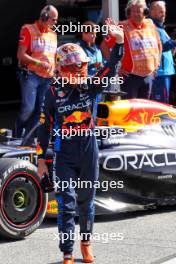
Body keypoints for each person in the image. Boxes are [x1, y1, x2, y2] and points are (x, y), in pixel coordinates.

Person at [36, 23, 124, 264]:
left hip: (89, 151)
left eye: (82, 67)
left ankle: (86, 245)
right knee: (67, 203)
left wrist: (118, 43)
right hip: (64, 154)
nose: (79, 72)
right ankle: (67, 252)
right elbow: (44, 128)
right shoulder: (52, 93)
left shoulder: (92, 85)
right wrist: (41, 159)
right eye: (73, 68)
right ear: (61, 69)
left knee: (86, 202)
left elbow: (112, 68)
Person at [103, 0, 162, 99]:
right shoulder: (122, 26)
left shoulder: (150, 24)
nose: (135, 14)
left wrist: (157, 64)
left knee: (144, 110)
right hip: (130, 78)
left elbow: (159, 44)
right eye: (132, 11)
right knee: (131, 109)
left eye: (138, 11)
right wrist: (117, 67)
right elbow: (104, 46)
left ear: (145, 12)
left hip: (148, 77)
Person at [16, 5, 58, 142]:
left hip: (47, 78)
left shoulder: (53, 34)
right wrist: (39, 63)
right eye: (53, 19)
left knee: (40, 112)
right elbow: (20, 55)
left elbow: (54, 56)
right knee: (28, 108)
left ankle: (27, 140)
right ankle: (18, 132)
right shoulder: (28, 29)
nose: (55, 23)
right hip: (32, 75)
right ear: (44, 17)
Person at [149, 0, 176, 103]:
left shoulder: (160, 27)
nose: (163, 14)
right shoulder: (151, 26)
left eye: (164, 12)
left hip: (165, 72)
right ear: (152, 12)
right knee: (160, 104)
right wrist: (173, 43)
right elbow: (159, 47)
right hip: (159, 73)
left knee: (164, 103)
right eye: (160, 12)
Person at [77, 21, 104, 120]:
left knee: (95, 114)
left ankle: (93, 132)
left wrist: (101, 66)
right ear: (84, 33)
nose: (94, 36)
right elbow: (76, 67)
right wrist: (92, 64)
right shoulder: (78, 48)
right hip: (84, 88)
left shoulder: (97, 48)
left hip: (96, 86)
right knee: (85, 115)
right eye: (92, 33)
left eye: (96, 34)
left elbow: (102, 64)